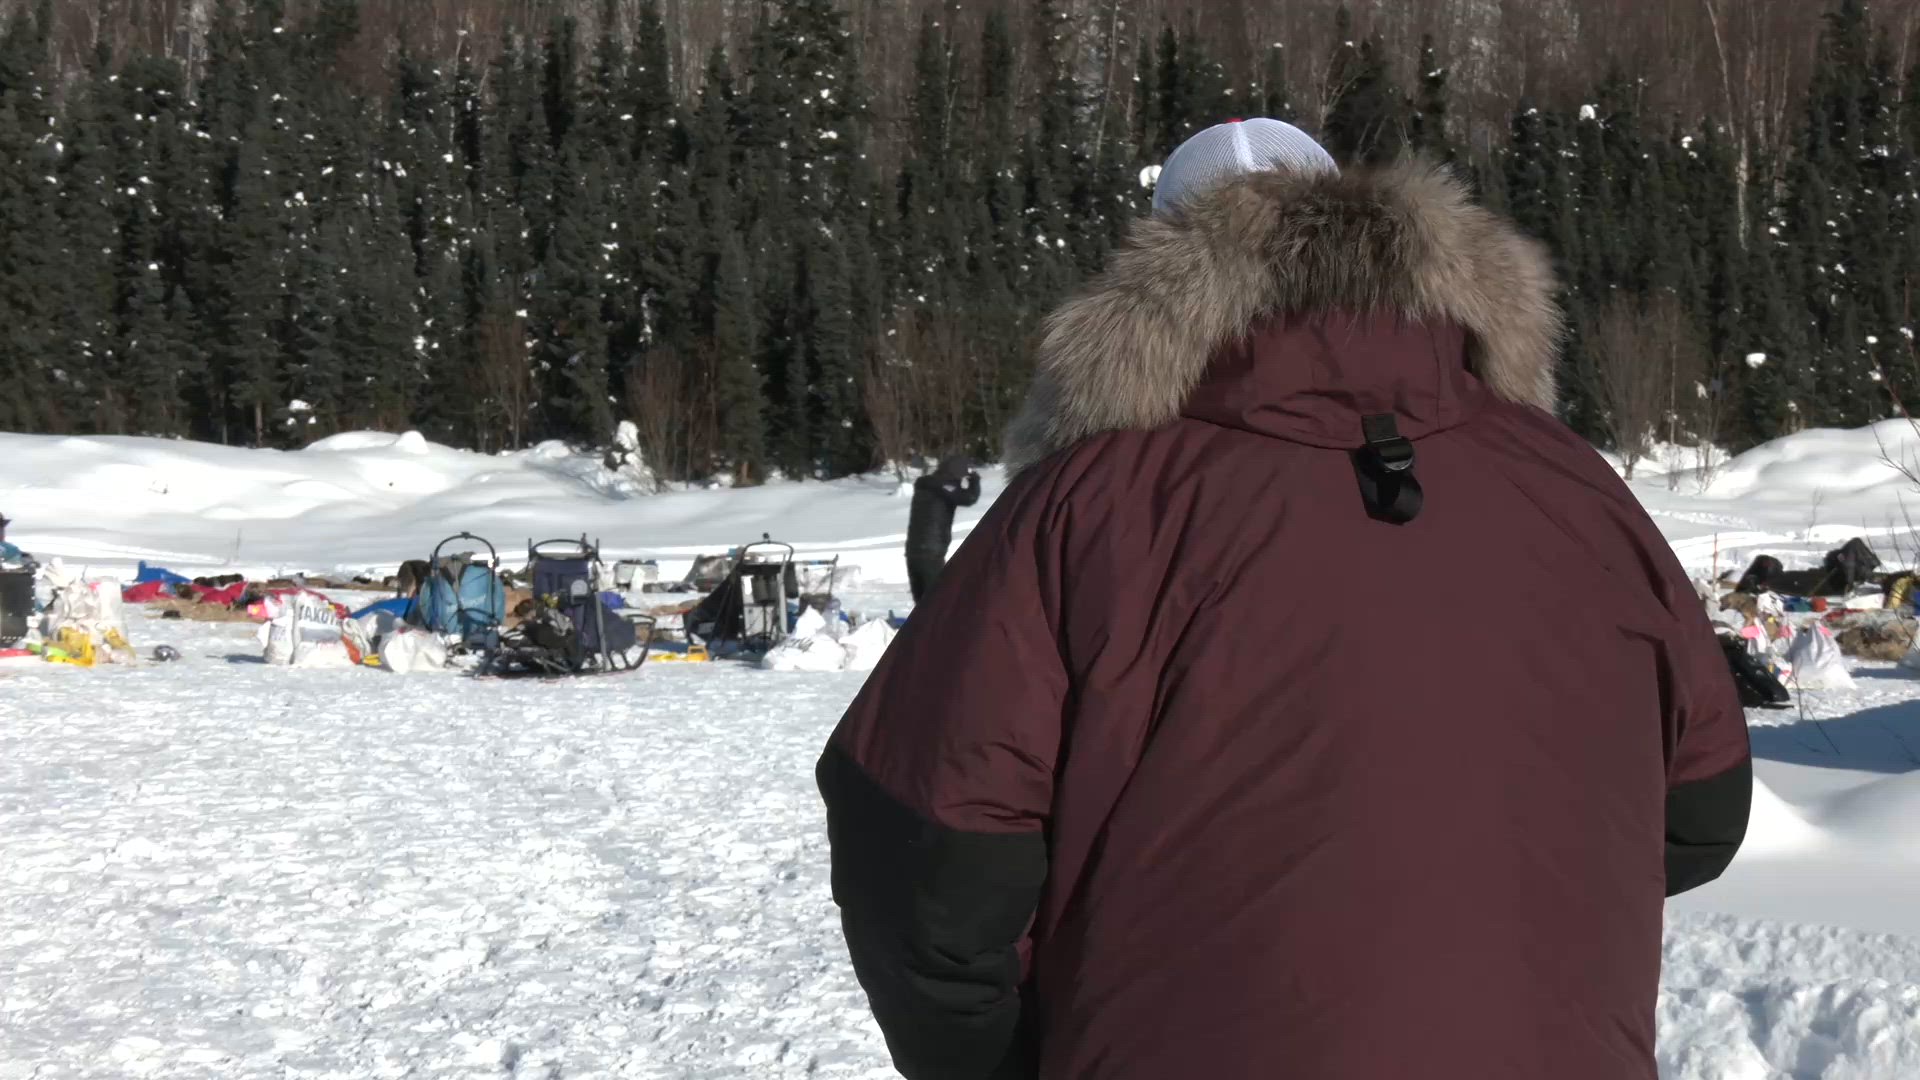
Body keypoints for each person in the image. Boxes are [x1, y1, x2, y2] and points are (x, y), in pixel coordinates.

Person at [818, 119, 1750, 1080]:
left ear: (1160, 272)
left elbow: (922, 855)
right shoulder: (1575, 487)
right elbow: (1702, 813)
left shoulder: (1081, 508)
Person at [903, 455, 981, 602]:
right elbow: (969, 498)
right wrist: (974, 480)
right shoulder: (945, 487)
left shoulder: (927, 484)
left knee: (922, 601)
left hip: (913, 551)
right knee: (936, 600)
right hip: (930, 552)